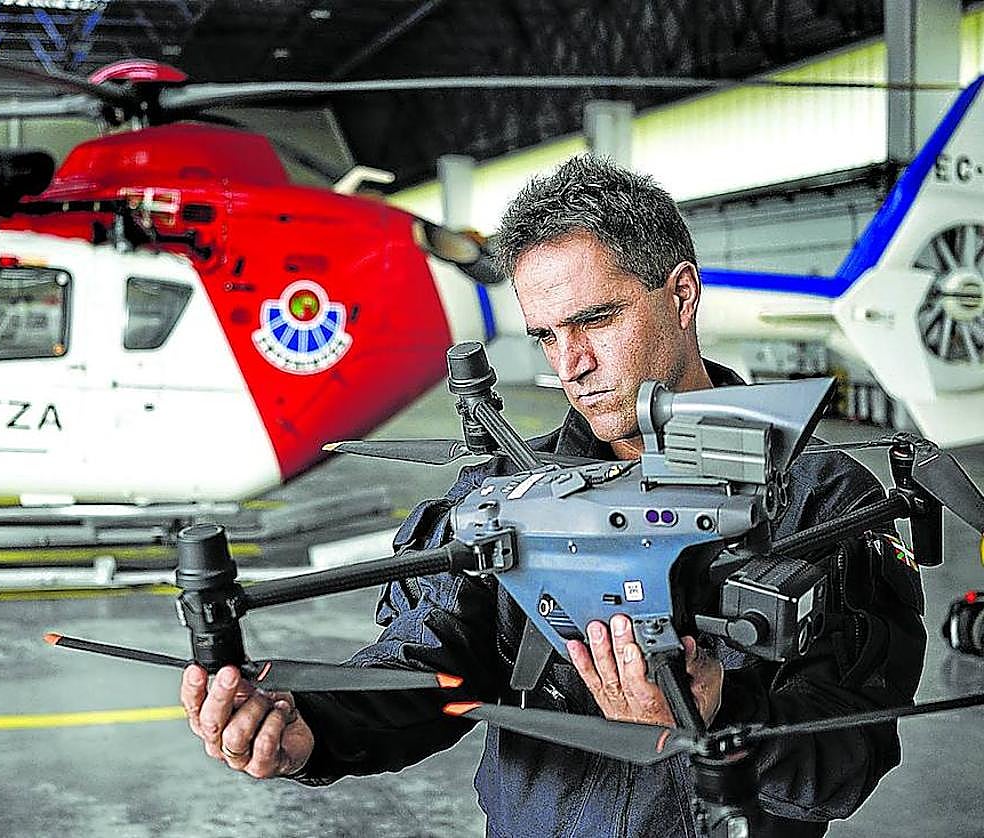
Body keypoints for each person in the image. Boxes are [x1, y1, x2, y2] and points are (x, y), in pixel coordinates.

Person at [179, 156, 926, 837]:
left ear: (683, 296)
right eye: (544, 335)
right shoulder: (506, 491)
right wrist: (310, 725)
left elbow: (852, 750)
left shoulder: (820, 498)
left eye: (596, 320)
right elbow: (426, 666)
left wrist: (723, 712)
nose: (571, 364)